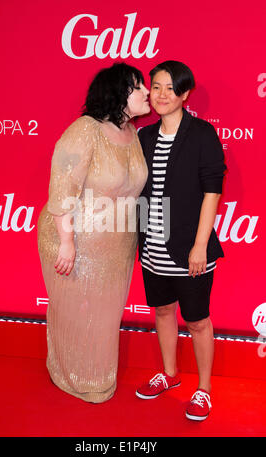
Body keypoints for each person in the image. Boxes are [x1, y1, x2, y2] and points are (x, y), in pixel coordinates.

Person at [37, 63, 150, 403]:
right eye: (138, 86)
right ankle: (69, 375)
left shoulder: (133, 135)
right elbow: (61, 187)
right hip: (75, 240)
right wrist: (67, 242)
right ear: (117, 94)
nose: (147, 92)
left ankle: (98, 375)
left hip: (117, 244)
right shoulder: (85, 130)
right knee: (74, 310)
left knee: (104, 314)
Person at [135, 60, 226, 421]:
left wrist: (201, 244)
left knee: (199, 320)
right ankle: (169, 374)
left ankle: (203, 389)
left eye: (170, 88)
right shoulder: (143, 136)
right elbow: (139, 191)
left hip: (190, 249)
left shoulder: (202, 134)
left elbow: (212, 191)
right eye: (155, 86)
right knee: (162, 311)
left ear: (185, 94)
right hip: (152, 245)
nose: (161, 95)